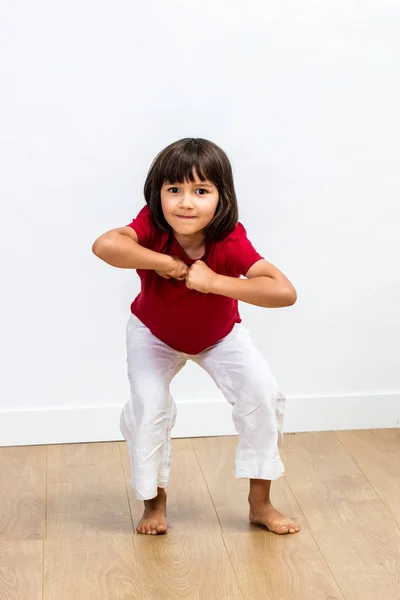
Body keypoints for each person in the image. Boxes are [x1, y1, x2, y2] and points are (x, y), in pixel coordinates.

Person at [92, 137, 300, 536]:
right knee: (149, 405)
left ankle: (261, 503)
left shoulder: (229, 238)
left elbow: (283, 292)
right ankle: (154, 501)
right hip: (153, 333)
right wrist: (164, 262)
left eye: (200, 191)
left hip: (219, 337)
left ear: (221, 199)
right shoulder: (150, 226)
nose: (186, 203)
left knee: (262, 394)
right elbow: (105, 246)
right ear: (158, 195)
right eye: (174, 190)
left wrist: (215, 282)